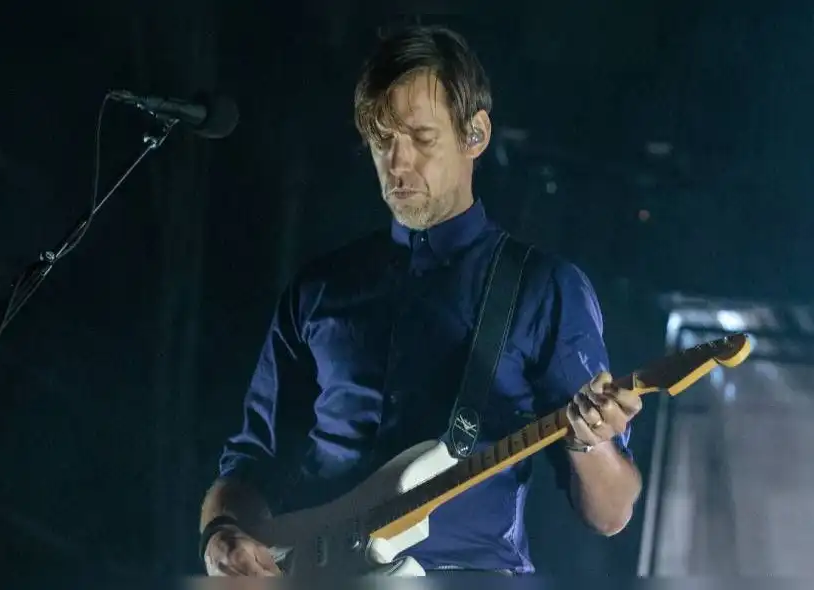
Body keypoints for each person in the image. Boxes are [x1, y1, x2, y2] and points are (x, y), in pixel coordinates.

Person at [198, 24, 643, 577]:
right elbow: (251, 461)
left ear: (475, 134)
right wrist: (221, 534)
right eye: (382, 139)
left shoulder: (541, 287)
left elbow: (611, 513)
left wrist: (591, 442)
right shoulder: (321, 288)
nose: (397, 162)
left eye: (421, 137)